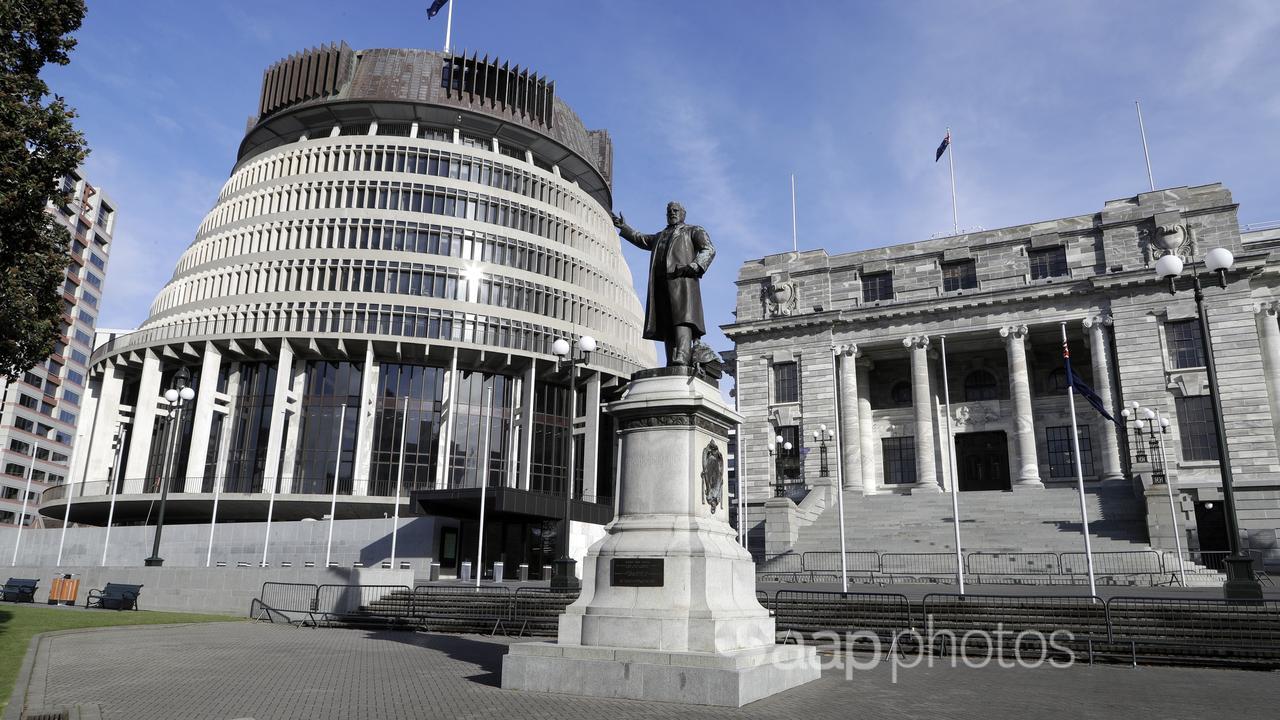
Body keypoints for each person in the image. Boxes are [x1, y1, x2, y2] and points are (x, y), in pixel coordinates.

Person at [612, 201, 716, 367]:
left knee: (683, 319)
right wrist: (624, 227)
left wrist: (694, 266)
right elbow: (642, 239)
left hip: (682, 282)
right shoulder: (660, 235)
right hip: (661, 285)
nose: (672, 213)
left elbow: (708, 249)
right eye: (669, 211)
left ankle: (682, 355)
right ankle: (671, 360)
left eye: (676, 210)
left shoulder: (693, 230)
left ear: (683, 214)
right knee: (667, 322)